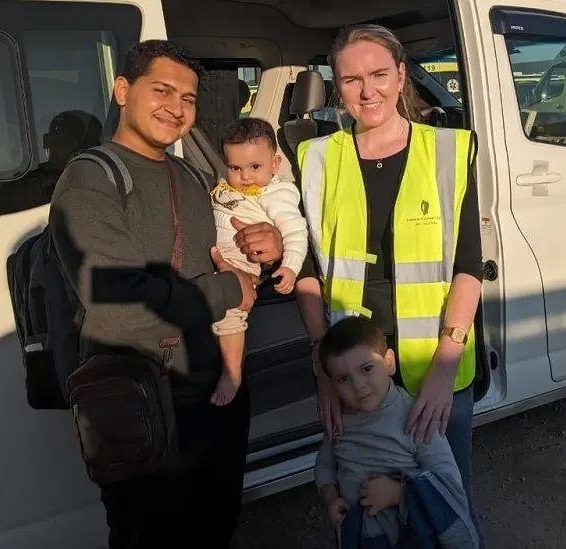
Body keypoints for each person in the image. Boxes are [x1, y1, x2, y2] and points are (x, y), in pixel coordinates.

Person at [49, 40, 283, 548]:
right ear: (122, 90)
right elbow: (117, 302)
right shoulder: (91, 179)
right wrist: (228, 288)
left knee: (214, 528)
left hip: (211, 398)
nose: (176, 107)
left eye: (189, 98)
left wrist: (267, 246)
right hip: (142, 407)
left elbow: (228, 259)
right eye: (161, 90)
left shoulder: (193, 176)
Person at [294, 23, 484, 537]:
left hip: (431, 365)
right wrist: (323, 372)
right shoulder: (314, 159)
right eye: (351, 79)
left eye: (379, 74)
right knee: (363, 509)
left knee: (445, 501)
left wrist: (445, 367)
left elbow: (469, 266)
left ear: (402, 76)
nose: (367, 90)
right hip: (353, 370)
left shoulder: (449, 150)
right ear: (336, 86)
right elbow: (309, 271)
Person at [315, 317, 477, 547]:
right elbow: (324, 466)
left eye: (367, 368)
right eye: (343, 379)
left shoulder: (415, 416)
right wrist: (331, 498)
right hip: (359, 537)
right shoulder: (339, 421)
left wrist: (398, 494)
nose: (358, 385)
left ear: (389, 362)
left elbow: (449, 486)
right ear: (331, 384)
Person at [209, 117, 308, 405]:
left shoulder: (276, 194)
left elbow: (294, 231)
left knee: (230, 316)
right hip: (214, 263)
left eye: (255, 167)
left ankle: (232, 372)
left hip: (243, 269)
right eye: (235, 168)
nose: (245, 176)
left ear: (275, 165)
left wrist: (289, 265)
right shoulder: (227, 188)